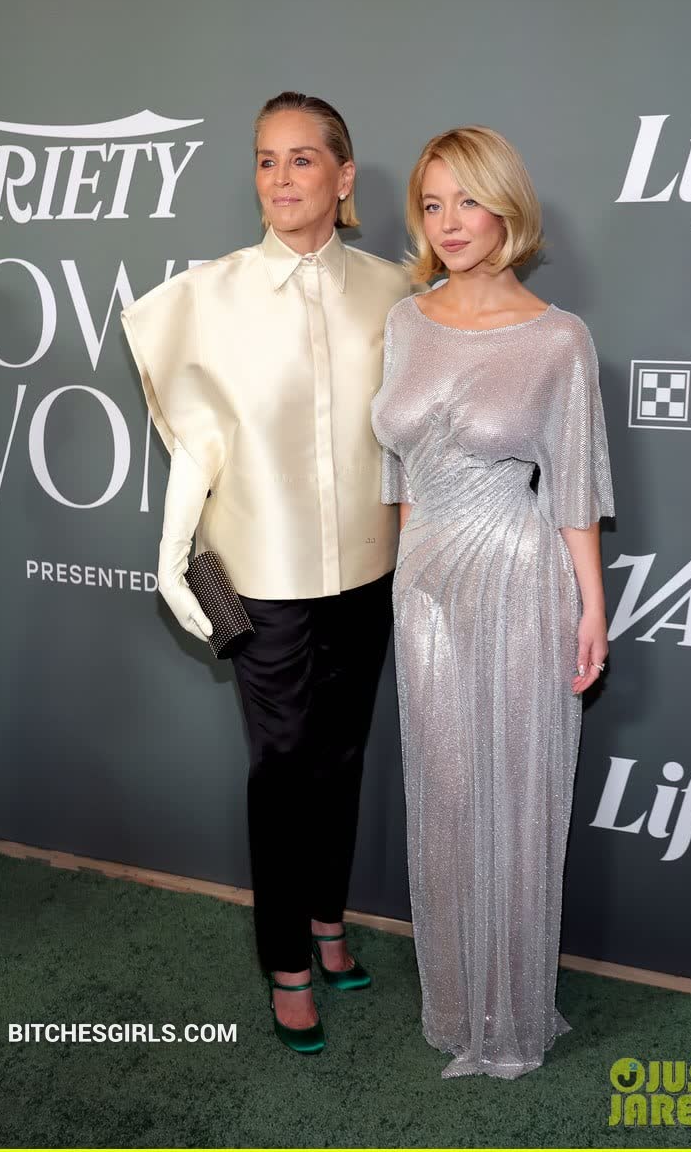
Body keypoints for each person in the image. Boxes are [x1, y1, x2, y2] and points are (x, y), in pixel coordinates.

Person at [121, 91, 419, 1055]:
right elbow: (197, 446)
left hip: (369, 571)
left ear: (343, 175)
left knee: (342, 758)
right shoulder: (203, 298)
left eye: (301, 159)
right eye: (264, 159)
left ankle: (329, 925)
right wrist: (172, 553)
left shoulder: (396, 292)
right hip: (261, 577)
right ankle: (286, 962)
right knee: (283, 765)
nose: (280, 178)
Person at [370, 125, 615, 1080]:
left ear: (505, 207)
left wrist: (591, 609)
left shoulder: (558, 338)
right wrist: (404, 574)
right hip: (422, 587)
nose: (449, 222)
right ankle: (457, 1001)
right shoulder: (405, 321)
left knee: (511, 792)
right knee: (444, 792)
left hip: (517, 584)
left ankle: (508, 1012)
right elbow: (398, 473)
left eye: (466, 200)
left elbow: (574, 490)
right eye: (432, 204)